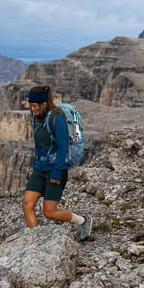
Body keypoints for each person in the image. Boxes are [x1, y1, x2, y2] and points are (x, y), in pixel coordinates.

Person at [22, 86, 93, 240]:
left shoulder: (56, 118)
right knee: (27, 204)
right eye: (31, 106)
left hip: (55, 170)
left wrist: (57, 170)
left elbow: (63, 146)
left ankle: (83, 221)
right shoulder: (36, 117)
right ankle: (35, 240)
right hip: (40, 170)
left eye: (35, 106)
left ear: (44, 104)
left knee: (49, 212)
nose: (32, 109)